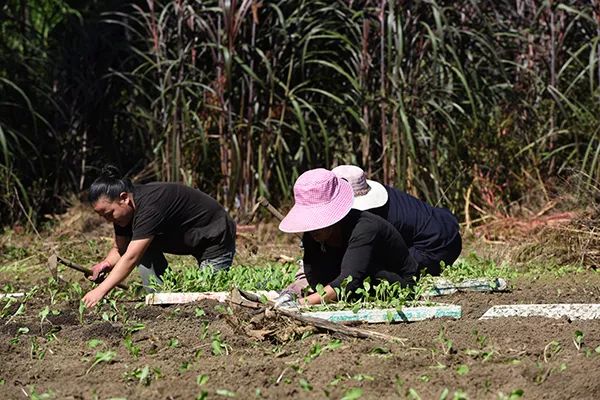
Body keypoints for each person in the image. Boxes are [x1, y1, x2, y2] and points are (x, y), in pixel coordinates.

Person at [82, 166, 236, 308]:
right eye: (103, 216)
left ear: (124, 198)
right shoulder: (123, 215)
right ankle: (161, 301)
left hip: (214, 235)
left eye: (109, 214)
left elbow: (130, 258)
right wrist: (106, 264)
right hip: (187, 237)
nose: (108, 220)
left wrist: (100, 291)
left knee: (208, 300)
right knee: (140, 249)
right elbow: (121, 249)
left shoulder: (150, 207)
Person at [278, 168, 418, 305]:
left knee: (358, 276)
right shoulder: (313, 235)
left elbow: (350, 279)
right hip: (354, 280)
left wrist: (301, 303)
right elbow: (314, 274)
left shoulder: (365, 228)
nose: (313, 229)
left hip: (397, 284)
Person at [332, 165, 461, 276]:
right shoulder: (385, 195)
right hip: (444, 226)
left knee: (372, 270)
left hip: (438, 247)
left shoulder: (372, 216)